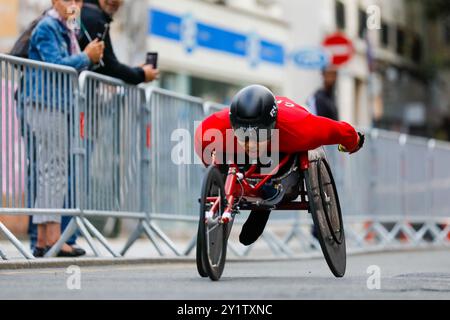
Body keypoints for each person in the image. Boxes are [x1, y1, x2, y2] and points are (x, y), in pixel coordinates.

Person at [195, 85, 364, 246]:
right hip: (242, 148)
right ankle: (260, 187)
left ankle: (267, 198)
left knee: (282, 159)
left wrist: (354, 141)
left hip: (284, 144)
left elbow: (339, 131)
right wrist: (218, 177)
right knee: (228, 153)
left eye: (257, 135)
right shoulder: (213, 128)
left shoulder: (302, 127)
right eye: (244, 133)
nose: (251, 142)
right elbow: (204, 150)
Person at [25, 0, 104, 257]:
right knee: (52, 171)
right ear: (53, 1)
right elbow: (56, 64)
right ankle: (50, 239)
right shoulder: (48, 27)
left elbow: (71, 64)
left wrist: (89, 56)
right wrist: (86, 56)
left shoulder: (68, 29)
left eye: (78, 0)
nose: (74, 4)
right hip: (45, 102)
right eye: (68, 0)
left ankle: (44, 240)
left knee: (53, 170)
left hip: (56, 103)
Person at [78, 0, 159, 84]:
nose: (113, 0)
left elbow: (107, 63)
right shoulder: (95, 18)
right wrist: (141, 74)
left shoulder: (92, 14)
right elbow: (110, 67)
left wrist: (137, 71)